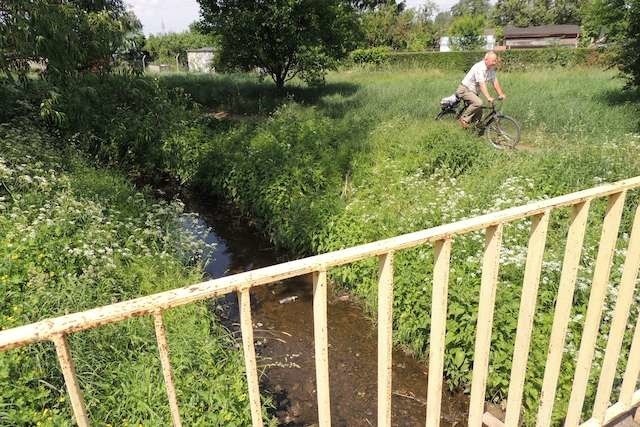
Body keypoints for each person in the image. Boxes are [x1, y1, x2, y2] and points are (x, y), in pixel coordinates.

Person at [456, 51, 506, 129]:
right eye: (493, 60)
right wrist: (488, 97)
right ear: (486, 60)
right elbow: (481, 84)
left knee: (479, 114)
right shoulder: (479, 67)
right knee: (478, 102)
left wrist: (501, 94)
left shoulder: (490, 69)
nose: (494, 62)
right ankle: (463, 119)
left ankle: (472, 131)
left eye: (495, 60)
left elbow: (495, 82)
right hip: (465, 90)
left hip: (473, 92)